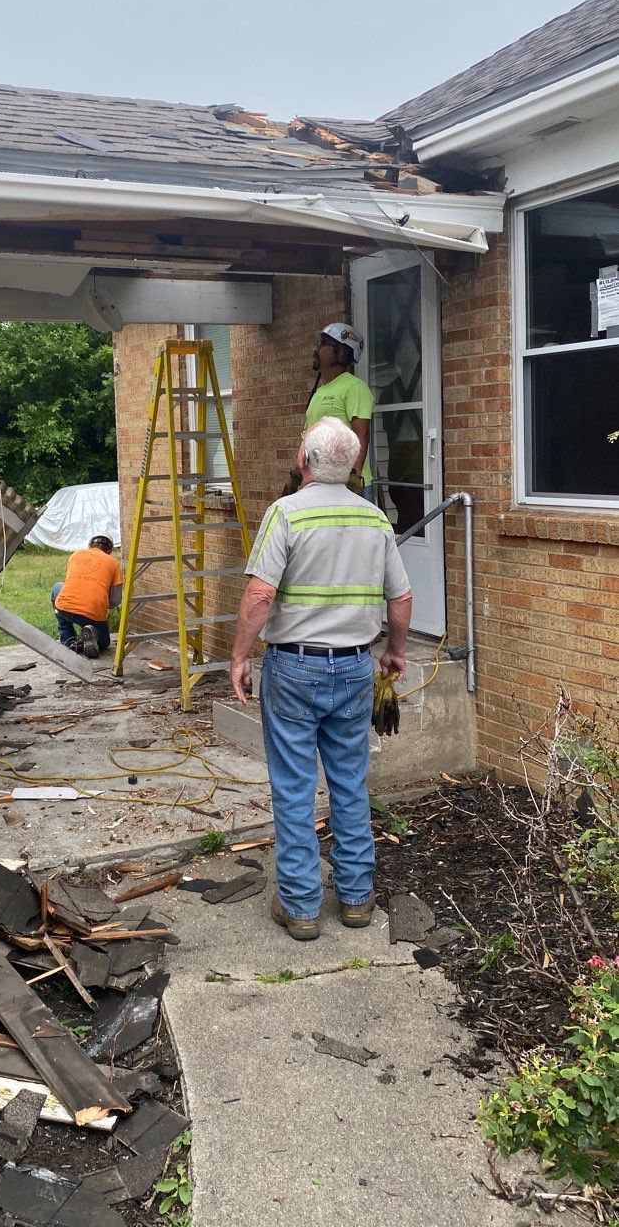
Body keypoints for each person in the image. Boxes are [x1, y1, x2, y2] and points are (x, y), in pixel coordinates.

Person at [230, 416, 412, 941]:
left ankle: (302, 906)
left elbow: (261, 595)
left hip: (293, 666)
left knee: (293, 787)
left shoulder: (286, 513)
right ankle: (356, 899)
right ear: (355, 465)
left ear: (305, 461)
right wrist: (395, 651)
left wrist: (240, 655)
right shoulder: (375, 519)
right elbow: (400, 597)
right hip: (355, 666)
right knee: (349, 782)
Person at [285, 323, 375, 500]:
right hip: (319, 484)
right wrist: (295, 477)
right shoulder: (320, 392)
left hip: (346, 486)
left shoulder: (355, 387)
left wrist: (354, 478)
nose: (316, 349)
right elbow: (308, 440)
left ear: (341, 353)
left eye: (323, 344)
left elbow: (361, 434)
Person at [51, 534, 123, 658]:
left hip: (64, 607)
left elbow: (70, 582)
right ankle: (86, 639)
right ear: (110, 550)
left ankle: (69, 640)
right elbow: (116, 600)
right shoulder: (113, 563)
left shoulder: (75, 555)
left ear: (90, 546)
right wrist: (102, 603)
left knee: (58, 586)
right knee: (104, 642)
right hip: (92, 613)